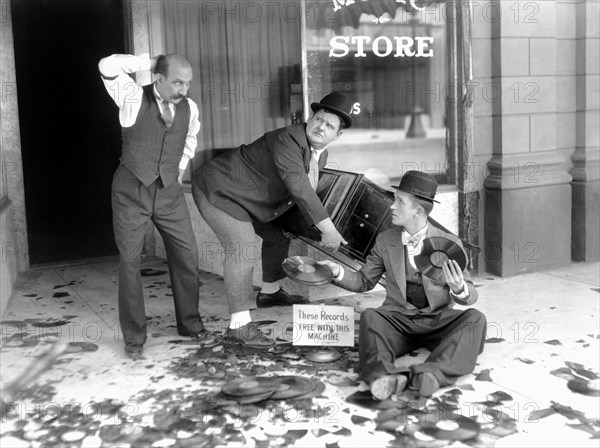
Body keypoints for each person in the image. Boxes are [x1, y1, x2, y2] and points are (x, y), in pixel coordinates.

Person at [192, 92, 352, 347]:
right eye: (319, 119)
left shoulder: (320, 155)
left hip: (250, 198)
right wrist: (328, 229)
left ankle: (269, 293)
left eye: (330, 125)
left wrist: (301, 225)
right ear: (311, 117)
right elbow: (299, 186)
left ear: (337, 135)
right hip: (219, 188)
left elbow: (299, 195)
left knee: (278, 238)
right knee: (242, 245)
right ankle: (239, 326)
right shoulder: (289, 138)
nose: (321, 127)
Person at [318, 170, 486, 398]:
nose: (391, 207)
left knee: (475, 319)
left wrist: (460, 289)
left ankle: (431, 374)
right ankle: (382, 378)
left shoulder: (449, 242)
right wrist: (337, 272)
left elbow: (471, 293)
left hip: (437, 322)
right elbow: (364, 281)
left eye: (399, 201)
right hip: (398, 321)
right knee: (371, 318)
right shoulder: (386, 239)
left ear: (418, 210)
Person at [99, 53, 207, 359]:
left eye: (187, 83)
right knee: (130, 261)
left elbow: (190, 139)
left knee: (187, 252)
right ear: (157, 78)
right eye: (176, 82)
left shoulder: (190, 107)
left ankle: (190, 322)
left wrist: (178, 171)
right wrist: (150, 61)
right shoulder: (132, 96)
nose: (183, 89)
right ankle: (134, 337)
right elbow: (107, 66)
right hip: (131, 189)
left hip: (169, 190)